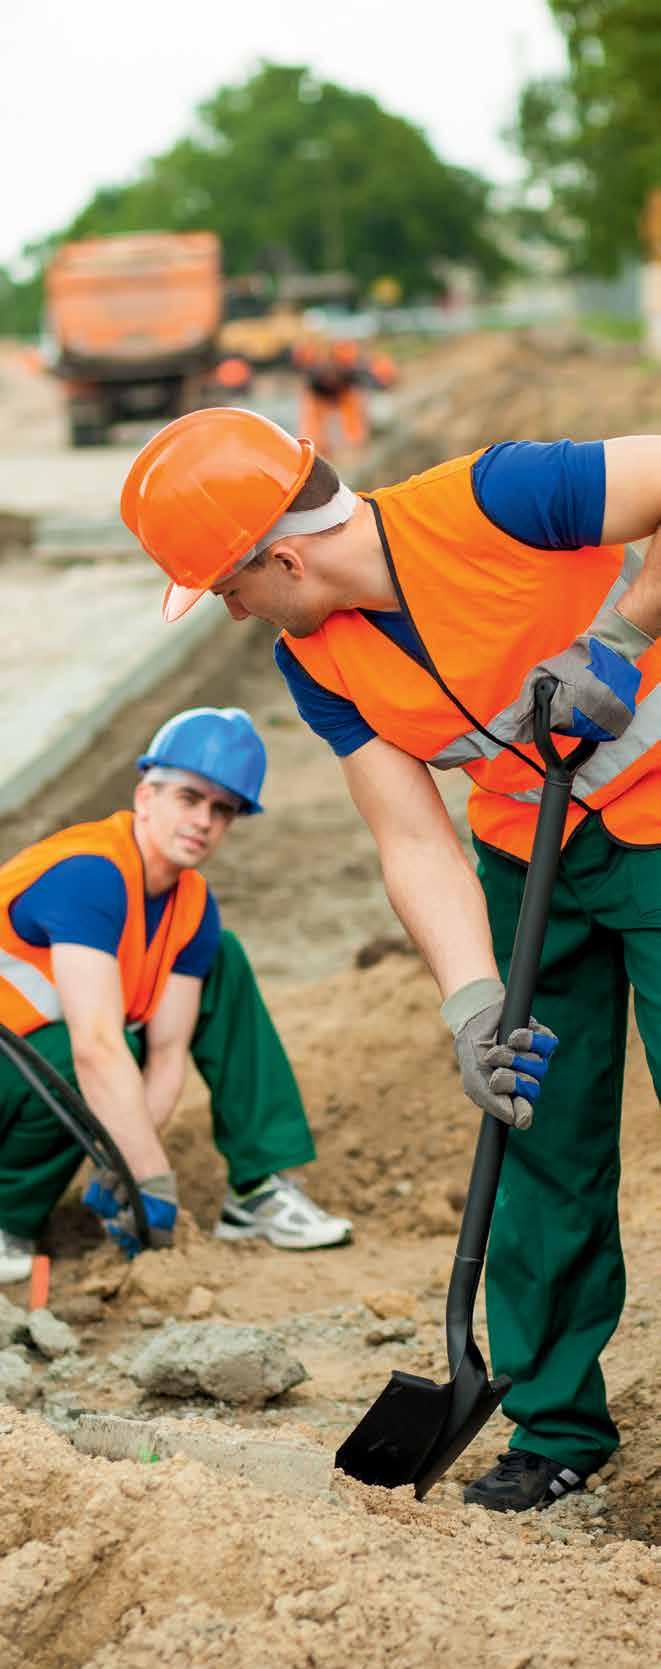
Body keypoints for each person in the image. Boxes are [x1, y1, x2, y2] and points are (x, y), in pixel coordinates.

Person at [121, 408, 660, 1514]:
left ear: (282, 555)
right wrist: (472, 1008)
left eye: (228, 586)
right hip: (531, 864)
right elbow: (411, 835)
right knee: (538, 1136)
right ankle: (554, 1424)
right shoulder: (315, 659)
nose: (231, 610)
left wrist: (628, 628)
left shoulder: (498, 498)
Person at [0, 704, 352, 1284]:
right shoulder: (90, 874)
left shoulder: (190, 905)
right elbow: (95, 1046)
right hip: (19, 1064)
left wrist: (125, 1167)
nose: (204, 821)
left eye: (222, 810)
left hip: (26, 1070)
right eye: (189, 798)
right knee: (82, 1056)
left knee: (223, 959)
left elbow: (167, 1053)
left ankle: (259, 1189)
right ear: (145, 796)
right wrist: (150, 1175)